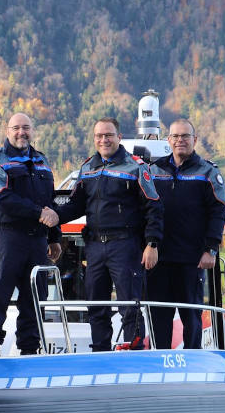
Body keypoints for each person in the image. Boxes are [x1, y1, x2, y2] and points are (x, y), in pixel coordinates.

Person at [52, 117, 163, 351]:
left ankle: (134, 352)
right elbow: (75, 205)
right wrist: (53, 216)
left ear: (119, 137)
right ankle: (100, 352)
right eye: (99, 136)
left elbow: (153, 207)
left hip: (125, 246)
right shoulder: (87, 168)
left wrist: (152, 243)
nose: (104, 140)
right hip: (94, 247)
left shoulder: (136, 167)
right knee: (95, 305)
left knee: (129, 305)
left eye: (109, 135)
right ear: (94, 139)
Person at [0, 113, 63, 356]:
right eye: (16, 128)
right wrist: (39, 213)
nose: (21, 132)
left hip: (37, 241)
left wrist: (54, 237)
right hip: (5, 238)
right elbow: (2, 199)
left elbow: (50, 201)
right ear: (7, 131)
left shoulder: (42, 161)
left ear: (32, 131)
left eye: (26, 127)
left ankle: (29, 351)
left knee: (35, 298)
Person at [146, 119, 225, 349]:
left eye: (185, 136)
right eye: (175, 136)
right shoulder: (153, 171)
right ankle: (159, 359)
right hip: (158, 258)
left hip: (191, 259)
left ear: (195, 139)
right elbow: (144, 210)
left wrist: (210, 249)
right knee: (158, 316)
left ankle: (193, 357)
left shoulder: (208, 172)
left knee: (191, 317)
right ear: (168, 140)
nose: (180, 140)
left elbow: (218, 212)